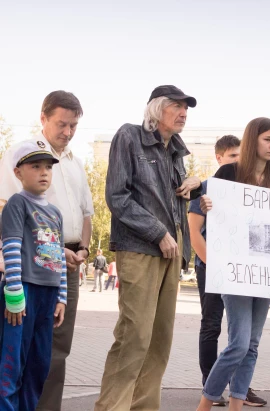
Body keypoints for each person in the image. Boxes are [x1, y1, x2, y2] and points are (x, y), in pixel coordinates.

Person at [94, 85, 202, 410]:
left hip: (172, 252)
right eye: (177, 106)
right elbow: (117, 196)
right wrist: (158, 231)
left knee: (159, 342)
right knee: (135, 337)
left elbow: (172, 203)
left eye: (187, 108)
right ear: (157, 108)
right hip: (141, 247)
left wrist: (196, 192)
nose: (184, 113)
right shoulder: (129, 136)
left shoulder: (176, 153)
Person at [0, 91, 93, 410]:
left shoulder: (76, 163)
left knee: (55, 350)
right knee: (16, 351)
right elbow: (5, 209)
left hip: (65, 266)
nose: (67, 132)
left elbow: (86, 213)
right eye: (61, 124)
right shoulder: (22, 154)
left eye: (74, 126)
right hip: (28, 268)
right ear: (43, 118)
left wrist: (83, 248)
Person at [196, 117, 270, 411]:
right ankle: (204, 406)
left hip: (263, 272)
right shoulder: (229, 172)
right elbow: (199, 215)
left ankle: (236, 406)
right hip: (234, 272)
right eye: (268, 139)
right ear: (253, 139)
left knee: (252, 346)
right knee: (239, 345)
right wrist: (206, 205)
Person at [189, 134, 265, 407]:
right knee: (212, 326)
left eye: (239, 156)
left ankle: (238, 389)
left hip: (246, 272)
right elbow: (195, 232)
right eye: (232, 157)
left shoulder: (259, 187)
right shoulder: (208, 188)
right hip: (210, 267)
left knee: (245, 341)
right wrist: (215, 264)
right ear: (220, 159)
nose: (237, 162)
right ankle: (211, 385)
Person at [0, 142, 67, 410]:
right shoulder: (17, 204)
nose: (44, 172)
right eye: (35, 166)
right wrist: (14, 292)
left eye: (48, 167)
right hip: (24, 291)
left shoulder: (55, 212)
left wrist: (62, 296)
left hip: (48, 295)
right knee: (13, 362)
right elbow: (11, 247)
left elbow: (59, 256)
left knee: (39, 365)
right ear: (18, 173)